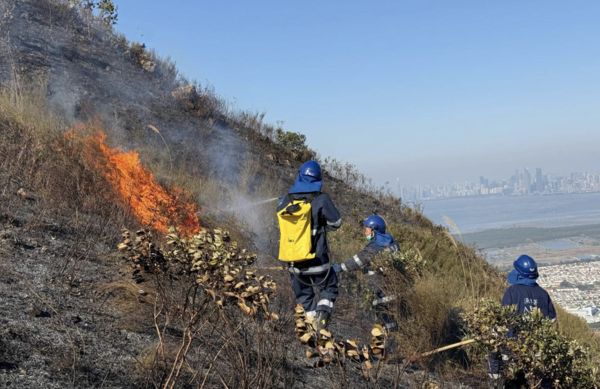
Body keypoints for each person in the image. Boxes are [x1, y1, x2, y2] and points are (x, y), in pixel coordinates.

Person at [277, 160, 342, 330]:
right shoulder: (321, 199)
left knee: (304, 296)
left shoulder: (286, 200)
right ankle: (322, 315)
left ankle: (311, 328)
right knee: (330, 287)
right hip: (317, 259)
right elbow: (337, 222)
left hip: (294, 262)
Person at [488, 254, 556, 388]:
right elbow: (552, 319)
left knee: (492, 343)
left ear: (518, 274)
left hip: (512, 348)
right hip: (537, 349)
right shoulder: (543, 294)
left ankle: (495, 380)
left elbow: (503, 318)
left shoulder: (512, 291)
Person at [332, 214, 400, 332]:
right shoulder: (392, 243)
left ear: (374, 230)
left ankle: (392, 343)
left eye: (367, 229)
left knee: (385, 320)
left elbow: (357, 261)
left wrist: (339, 267)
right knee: (394, 322)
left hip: (382, 291)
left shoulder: (374, 247)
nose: (365, 232)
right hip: (395, 289)